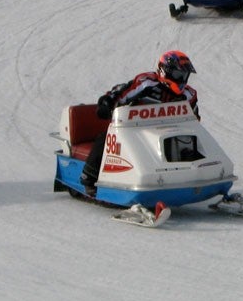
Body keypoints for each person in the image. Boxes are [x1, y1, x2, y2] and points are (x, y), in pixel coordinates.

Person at [79, 51, 199, 196]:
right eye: (179, 75)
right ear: (165, 71)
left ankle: (195, 176)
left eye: (184, 76)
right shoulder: (147, 82)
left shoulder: (189, 95)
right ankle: (89, 178)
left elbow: (195, 120)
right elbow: (121, 94)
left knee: (190, 142)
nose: (182, 80)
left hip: (168, 131)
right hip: (134, 129)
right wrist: (106, 103)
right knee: (106, 139)